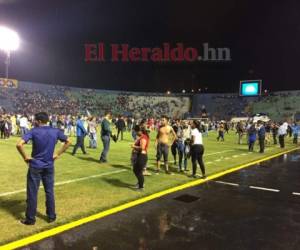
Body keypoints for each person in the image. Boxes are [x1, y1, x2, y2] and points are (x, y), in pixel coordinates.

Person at [16, 112, 71, 225]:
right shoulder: (55, 130)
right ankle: (51, 216)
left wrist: (26, 157)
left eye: (35, 120)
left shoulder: (34, 131)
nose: (34, 122)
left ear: (39, 121)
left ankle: (30, 219)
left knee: (32, 193)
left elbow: (19, 144)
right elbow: (68, 141)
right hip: (49, 165)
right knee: (49, 191)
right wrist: (58, 154)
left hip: (35, 165)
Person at [131, 125, 150, 190]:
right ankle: (140, 183)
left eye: (136, 131)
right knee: (136, 170)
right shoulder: (142, 137)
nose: (136, 133)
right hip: (141, 156)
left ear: (140, 131)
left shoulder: (143, 138)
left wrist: (134, 146)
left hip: (142, 156)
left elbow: (142, 147)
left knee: (137, 171)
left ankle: (141, 186)